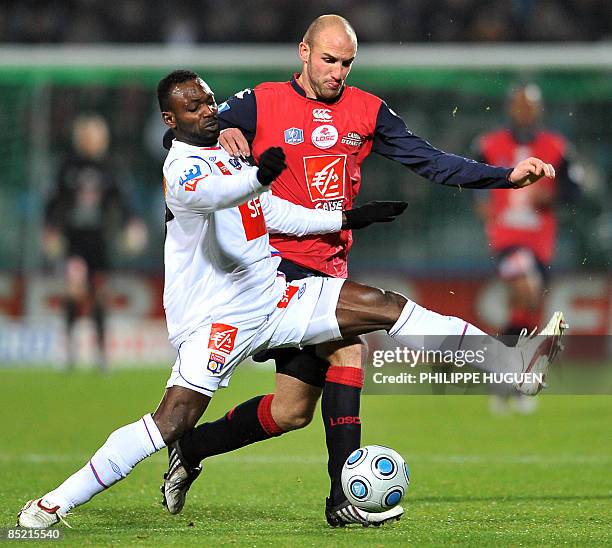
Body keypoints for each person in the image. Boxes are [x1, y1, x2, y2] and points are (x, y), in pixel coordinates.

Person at [17, 70, 566, 530]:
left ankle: (508, 364)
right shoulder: (183, 169)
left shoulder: (228, 156)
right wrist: (259, 175)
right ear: (170, 121)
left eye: (208, 99)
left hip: (275, 297)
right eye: (192, 107)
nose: (207, 110)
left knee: (383, 306)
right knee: (172, 421)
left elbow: (271, 214)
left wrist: (347, 218)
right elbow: (216, 195)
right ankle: (52, 504)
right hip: (217, 321)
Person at [160, 15, 566, 526]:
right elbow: (190, 128)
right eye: (328, 59)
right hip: (268, 271)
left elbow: (430, 161)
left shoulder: (367, 110)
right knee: (354, 343)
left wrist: (505, 176)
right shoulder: (260, 100)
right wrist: (227, 133)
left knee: (291, 411)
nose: (337, 71)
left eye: (346, 62)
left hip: (327, 265)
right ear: (303, 51)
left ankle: (191, 448)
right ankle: (346, 497)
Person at [473, 83, 581, 414]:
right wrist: (480, 201)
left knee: (526, 311)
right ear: (510, 108)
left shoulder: (557, 146)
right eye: (519, 105)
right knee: (527, 289)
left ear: (538, 110)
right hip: (506, 237)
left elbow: (575, 188)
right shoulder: (489, 144)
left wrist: (554, 196)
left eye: (529, 105)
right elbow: (472, 178)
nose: (524, 111)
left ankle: (508, 381)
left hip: (540, 241)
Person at [43, 114, 147, 371]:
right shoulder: (68, 166)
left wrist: (132, 223)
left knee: (99, 294)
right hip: (74, 241)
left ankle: (101, 353)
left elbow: (123, 201)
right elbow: (53, 202)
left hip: (99, 240)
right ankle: (68, 350)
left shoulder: (111, 167)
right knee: (74, 290)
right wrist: (51, 229)